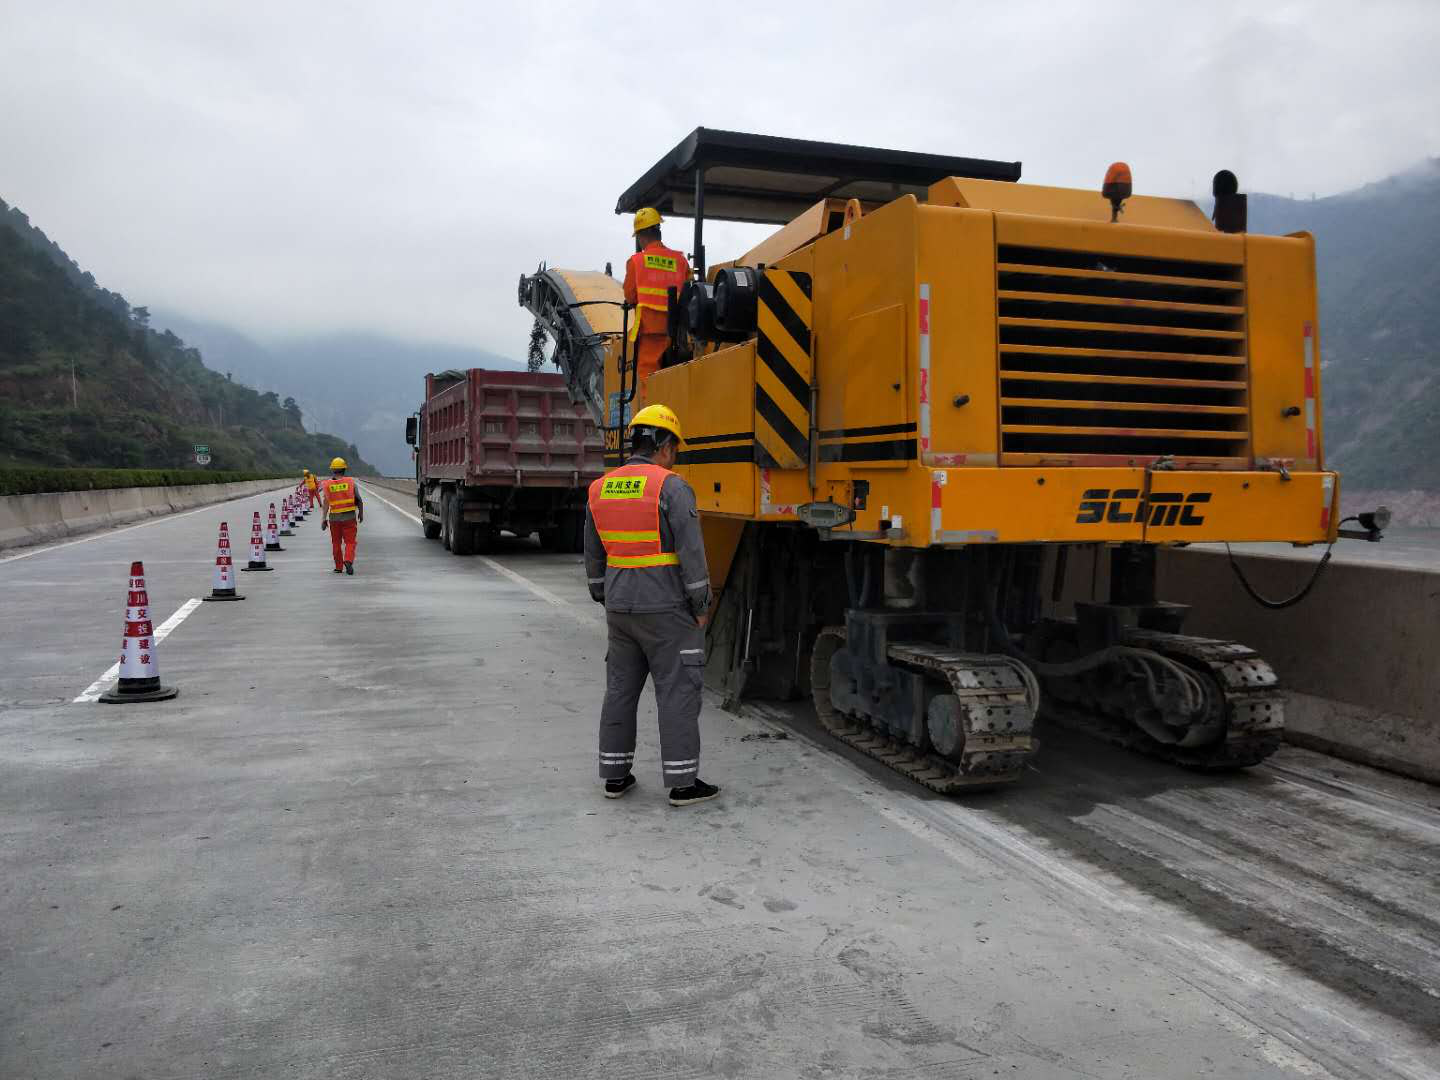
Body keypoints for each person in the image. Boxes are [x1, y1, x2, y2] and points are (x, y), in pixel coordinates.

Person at [585, 404, 718, 807]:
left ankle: (615, 776)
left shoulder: (601, 487)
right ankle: (682, 784)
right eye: (673, 447)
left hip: (620, 608)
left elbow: (593, 555)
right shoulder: (671, 487)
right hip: (666, 609)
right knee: (677, 691)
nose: (673, 454)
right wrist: (701, 603)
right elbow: (691, 553)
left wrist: (603, 593)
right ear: (662, 445)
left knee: (620, 690)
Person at [622, 207, 691, 389]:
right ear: (658, 231)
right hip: (677, 332)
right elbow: (689, 292)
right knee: (675, 380)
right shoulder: (680, 261)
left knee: (649, 381)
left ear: (641, 235)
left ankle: (651, 416)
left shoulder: (636, 262)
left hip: (649, 331)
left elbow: (630, 296)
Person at [320, 457, 363, 575]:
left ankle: (338, 567)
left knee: (336, 543)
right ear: (344, 469)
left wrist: (324, 519)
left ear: (333, 470)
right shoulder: (350, 482)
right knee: (350, 542)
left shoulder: (327, 484)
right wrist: (361, 513)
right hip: (349, 517)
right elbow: (358, 499)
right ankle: (348, 560)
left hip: (334, 518)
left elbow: (326, 503)